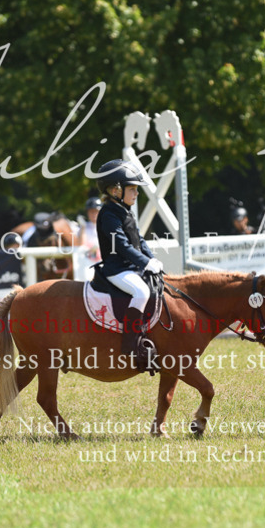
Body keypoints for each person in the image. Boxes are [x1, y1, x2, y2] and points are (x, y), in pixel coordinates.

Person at [96, 159, 164, 371]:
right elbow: (123, 246)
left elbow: (139, 240)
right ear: (116, 190)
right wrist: (145, 263)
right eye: (132, 189)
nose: (136, 193)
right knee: (142, 292)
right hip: (116, 269)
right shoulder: (108, 214)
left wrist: (152, 260)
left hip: (131, 268)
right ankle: (130, 345)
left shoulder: (125, 210)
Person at [77, 197, 102, 262]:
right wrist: (83, 228)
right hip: (87, 260)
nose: (93, 214)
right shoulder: (84, 227)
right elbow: (81, 246)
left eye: (95, 211)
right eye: (91, 211)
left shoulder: (107, 226)